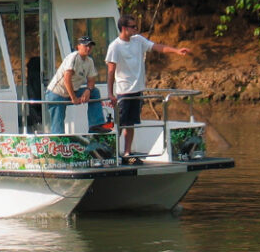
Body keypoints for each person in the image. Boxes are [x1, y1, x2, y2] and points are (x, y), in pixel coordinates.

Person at [106, 14, 191, 164]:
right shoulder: (115, 46)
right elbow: (111, 70)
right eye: (133, 27)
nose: (136, 29)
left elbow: (157, 47)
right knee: (121, 124)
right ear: (124, 28)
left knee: (131, 123)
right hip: (124, 91)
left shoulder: (138, 40)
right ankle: (109, 152)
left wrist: (176, 51)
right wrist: (110, 93)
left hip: (137, 90)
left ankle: (127, 153)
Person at [45, 36, 105, 134]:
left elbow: (91, 80)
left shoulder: (89, 61)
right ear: (78, 47)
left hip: (71, 92)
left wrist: (88, 90)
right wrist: (73, 98)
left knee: (95, 92)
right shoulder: (73, 57)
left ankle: (95, 126)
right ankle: (58, 143)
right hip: (56, 93)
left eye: (90, 46)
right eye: (85, 45)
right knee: (58, 123)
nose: (88, 48)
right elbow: (66, 79)